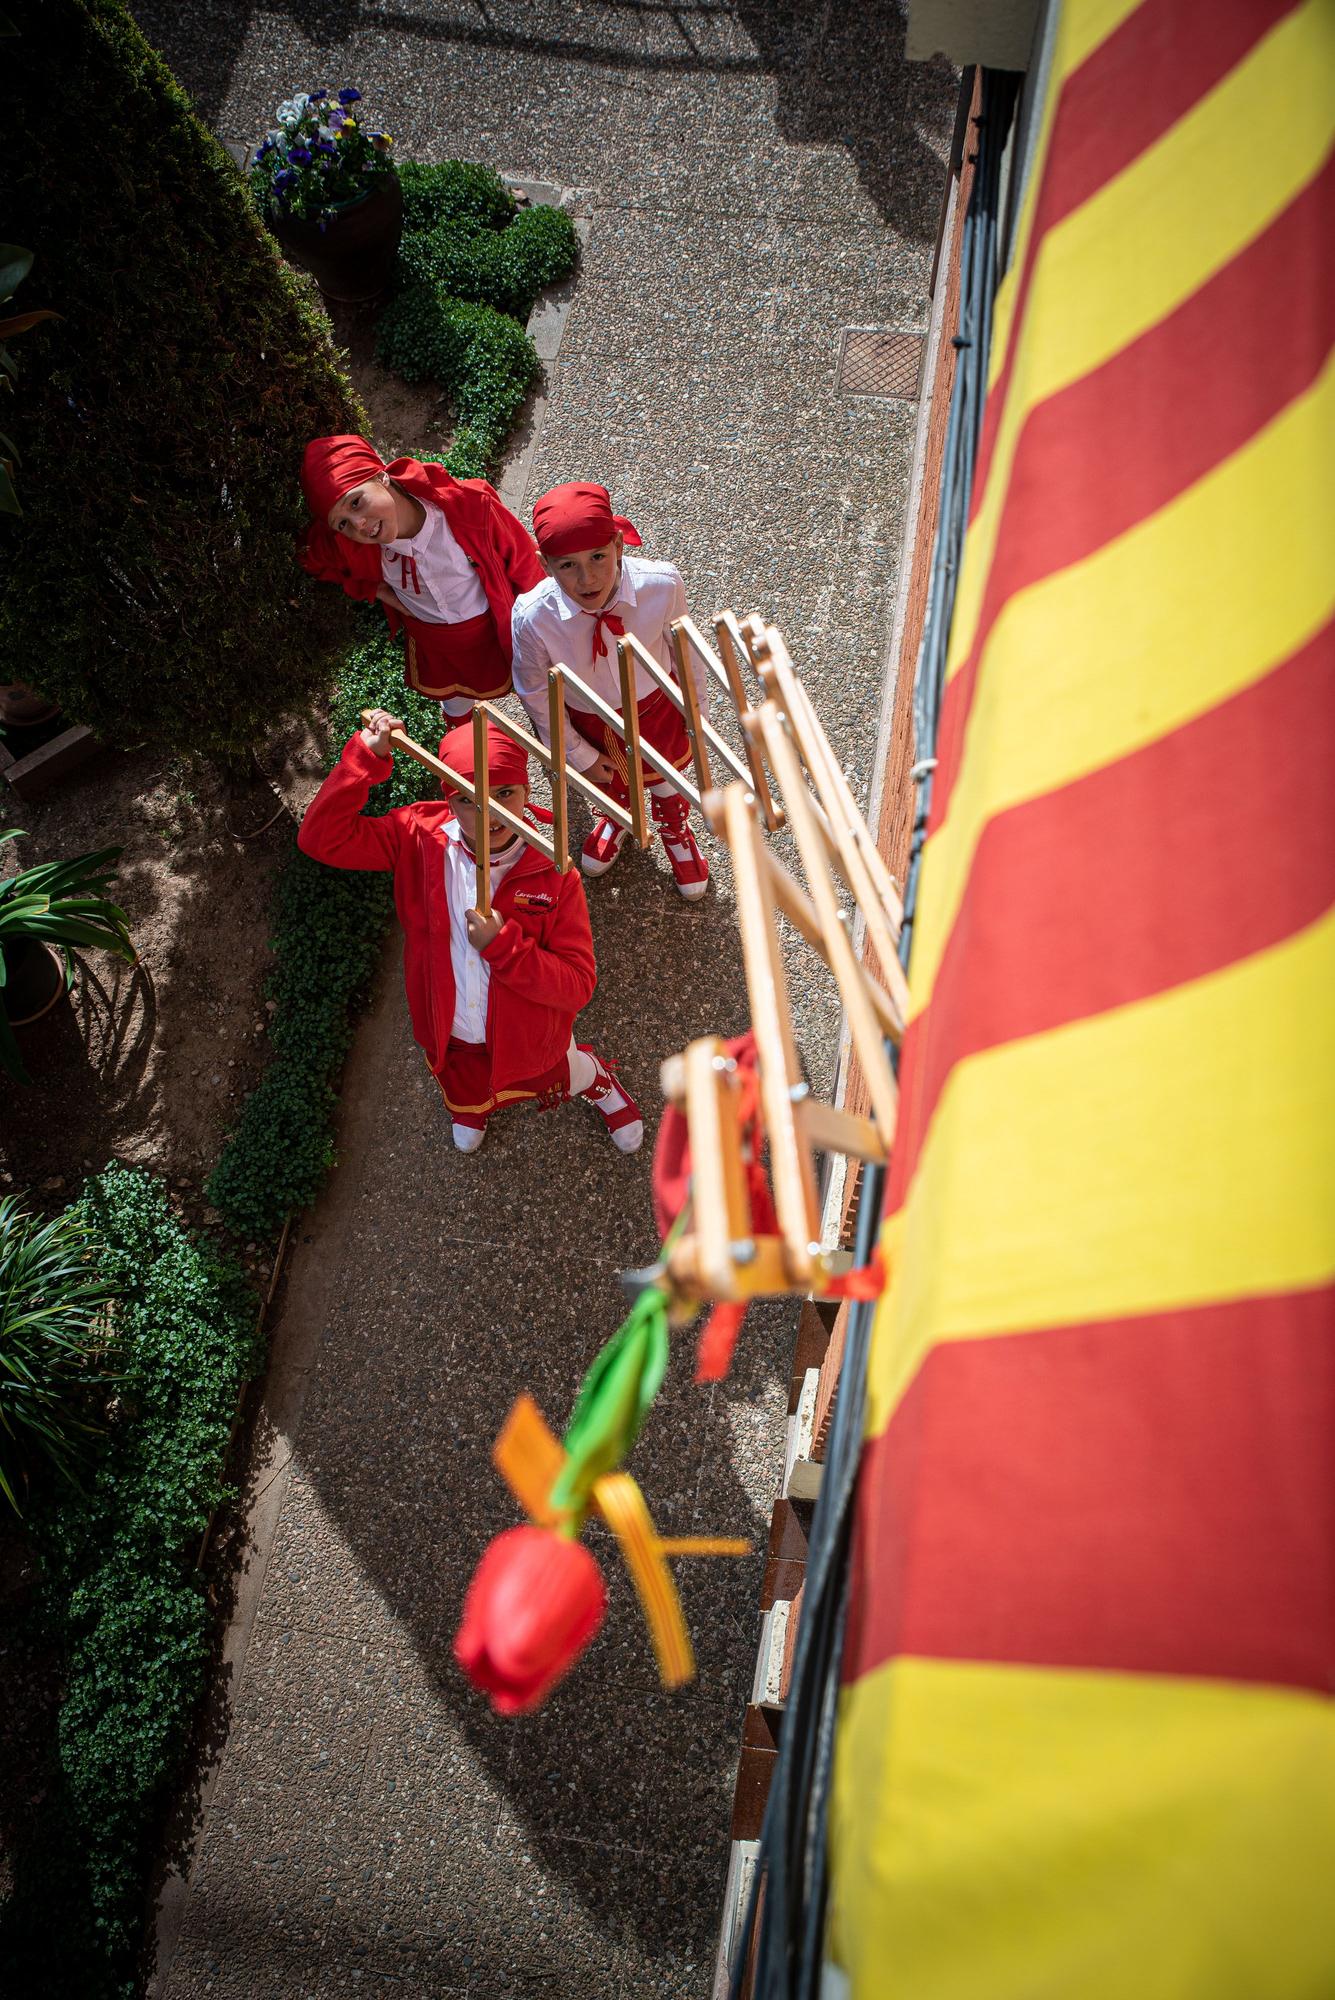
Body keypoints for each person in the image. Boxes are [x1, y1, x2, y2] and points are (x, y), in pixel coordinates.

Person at [296, 707, 644, 1156]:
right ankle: (471, 1106)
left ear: (526, 788)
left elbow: (578, 987)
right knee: (465, 1088)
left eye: (505, 793)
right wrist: (366, 755)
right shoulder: (418, 837)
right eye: (467, 798)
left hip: (530, 1033)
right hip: (449, 1029)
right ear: (448, 797)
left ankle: (596, 1079)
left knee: (556, 1072)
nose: (490, 815)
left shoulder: (555, 874)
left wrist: (505, 949)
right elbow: (321, 838)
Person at [510, 481, 711, 899]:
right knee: (608, 777)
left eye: (598, 556)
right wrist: (576, 754)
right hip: (591, 720)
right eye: (567, 565)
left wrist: (698, 716)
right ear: (544, 564)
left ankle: (674, 829)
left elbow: (685, 651)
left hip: (658, 707)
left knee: (667, 777)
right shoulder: (533, 617)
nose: (588, 578)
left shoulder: (662, 585)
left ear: (619, 545)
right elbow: (535, 691)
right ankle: (618, 817)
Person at [299, 435, 545, 716]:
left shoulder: (471, 508)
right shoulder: (352, 547)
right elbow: (310, 556)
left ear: (382, 477)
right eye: (342, 523)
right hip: (436, 648)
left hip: (492, 635)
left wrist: (546, 629)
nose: (359, 525)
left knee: (534, 690)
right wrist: (376, 590)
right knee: (456, 705)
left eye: (356, 503)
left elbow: (526, 566)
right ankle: (461, 746)